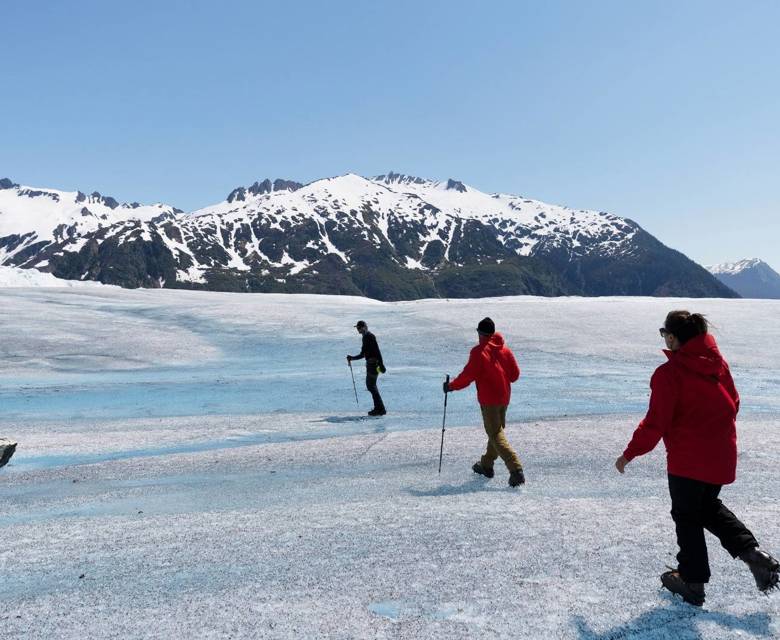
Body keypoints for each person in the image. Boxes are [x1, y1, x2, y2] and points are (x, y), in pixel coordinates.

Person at [616, 310, 779, 606]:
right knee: (706, 508)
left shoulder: (670, 373)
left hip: (687, 460)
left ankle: (692, 582)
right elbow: (734, 403)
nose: (665, 339)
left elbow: (656, 422)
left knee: (687, 516)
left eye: (666, 334)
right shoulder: (718, 365)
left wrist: (629, 454)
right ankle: (755, 556)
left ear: (675, 337)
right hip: (720, 456)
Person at [444, 317, 525, 487]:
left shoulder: (479, 352)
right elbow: (515, 375)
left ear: (480, 333)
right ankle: (486, 465)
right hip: (504, 398)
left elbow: (468, 376)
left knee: (495, 434)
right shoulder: (505, 350)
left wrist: (451, 386)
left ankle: (515, 469)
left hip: (489, 400)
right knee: (495, 432)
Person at [347, 320, 386, 416]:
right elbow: (363, 354)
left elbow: (376, 351)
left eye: (359, 328)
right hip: (372, 364)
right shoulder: (366, 337)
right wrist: (352, 358)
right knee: (371, 386)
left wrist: (381, 364)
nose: (358, 330)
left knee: (371, 386)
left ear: (364, 327)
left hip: (373, 364)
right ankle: (379, 408)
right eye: (357, 328)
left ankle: (380, 409)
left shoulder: (369, 336)